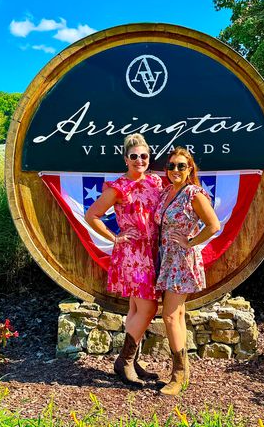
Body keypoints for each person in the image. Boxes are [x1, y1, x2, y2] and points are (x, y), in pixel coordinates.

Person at [85, 134, 162, 387]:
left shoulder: (155, 182)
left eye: (144, 156)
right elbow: (92, 215)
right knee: (148, 308)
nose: (139, 160)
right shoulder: (118, 187)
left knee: (136, 308)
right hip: (133, 256)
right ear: (125, 159)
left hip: (152, 251)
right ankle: (124, 361)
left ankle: (134, 360)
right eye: (134, 156)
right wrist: (115, 238)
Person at [154, 147, 220, 396]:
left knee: (170, 316)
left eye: (181, 166)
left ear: (190, 168)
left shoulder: (193, 193)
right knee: (178, 314)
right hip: (166, 259)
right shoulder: (166, 193)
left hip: (181, 260)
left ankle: (178, 375)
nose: (175, 170)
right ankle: (183, 371)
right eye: (171, 166)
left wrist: (190, 242)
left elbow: (214, 225)